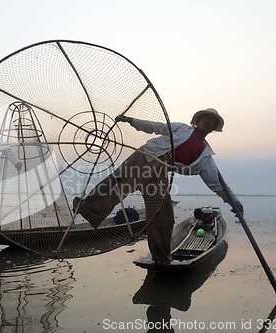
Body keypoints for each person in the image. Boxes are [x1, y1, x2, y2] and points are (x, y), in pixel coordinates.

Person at [73, 108, 243, 263]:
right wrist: (130, 120)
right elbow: (156, 127)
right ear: (197, 121)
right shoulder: (182, 128)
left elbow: (217, 184)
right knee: (120, 184)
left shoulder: (205, 156)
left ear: (213, 128)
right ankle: (87, 208)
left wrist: (233, 201)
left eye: (211, 121)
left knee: (163, 213)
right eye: (204, 118)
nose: (207, 122)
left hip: (159, 173)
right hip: (147, 156)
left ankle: (161, 258)